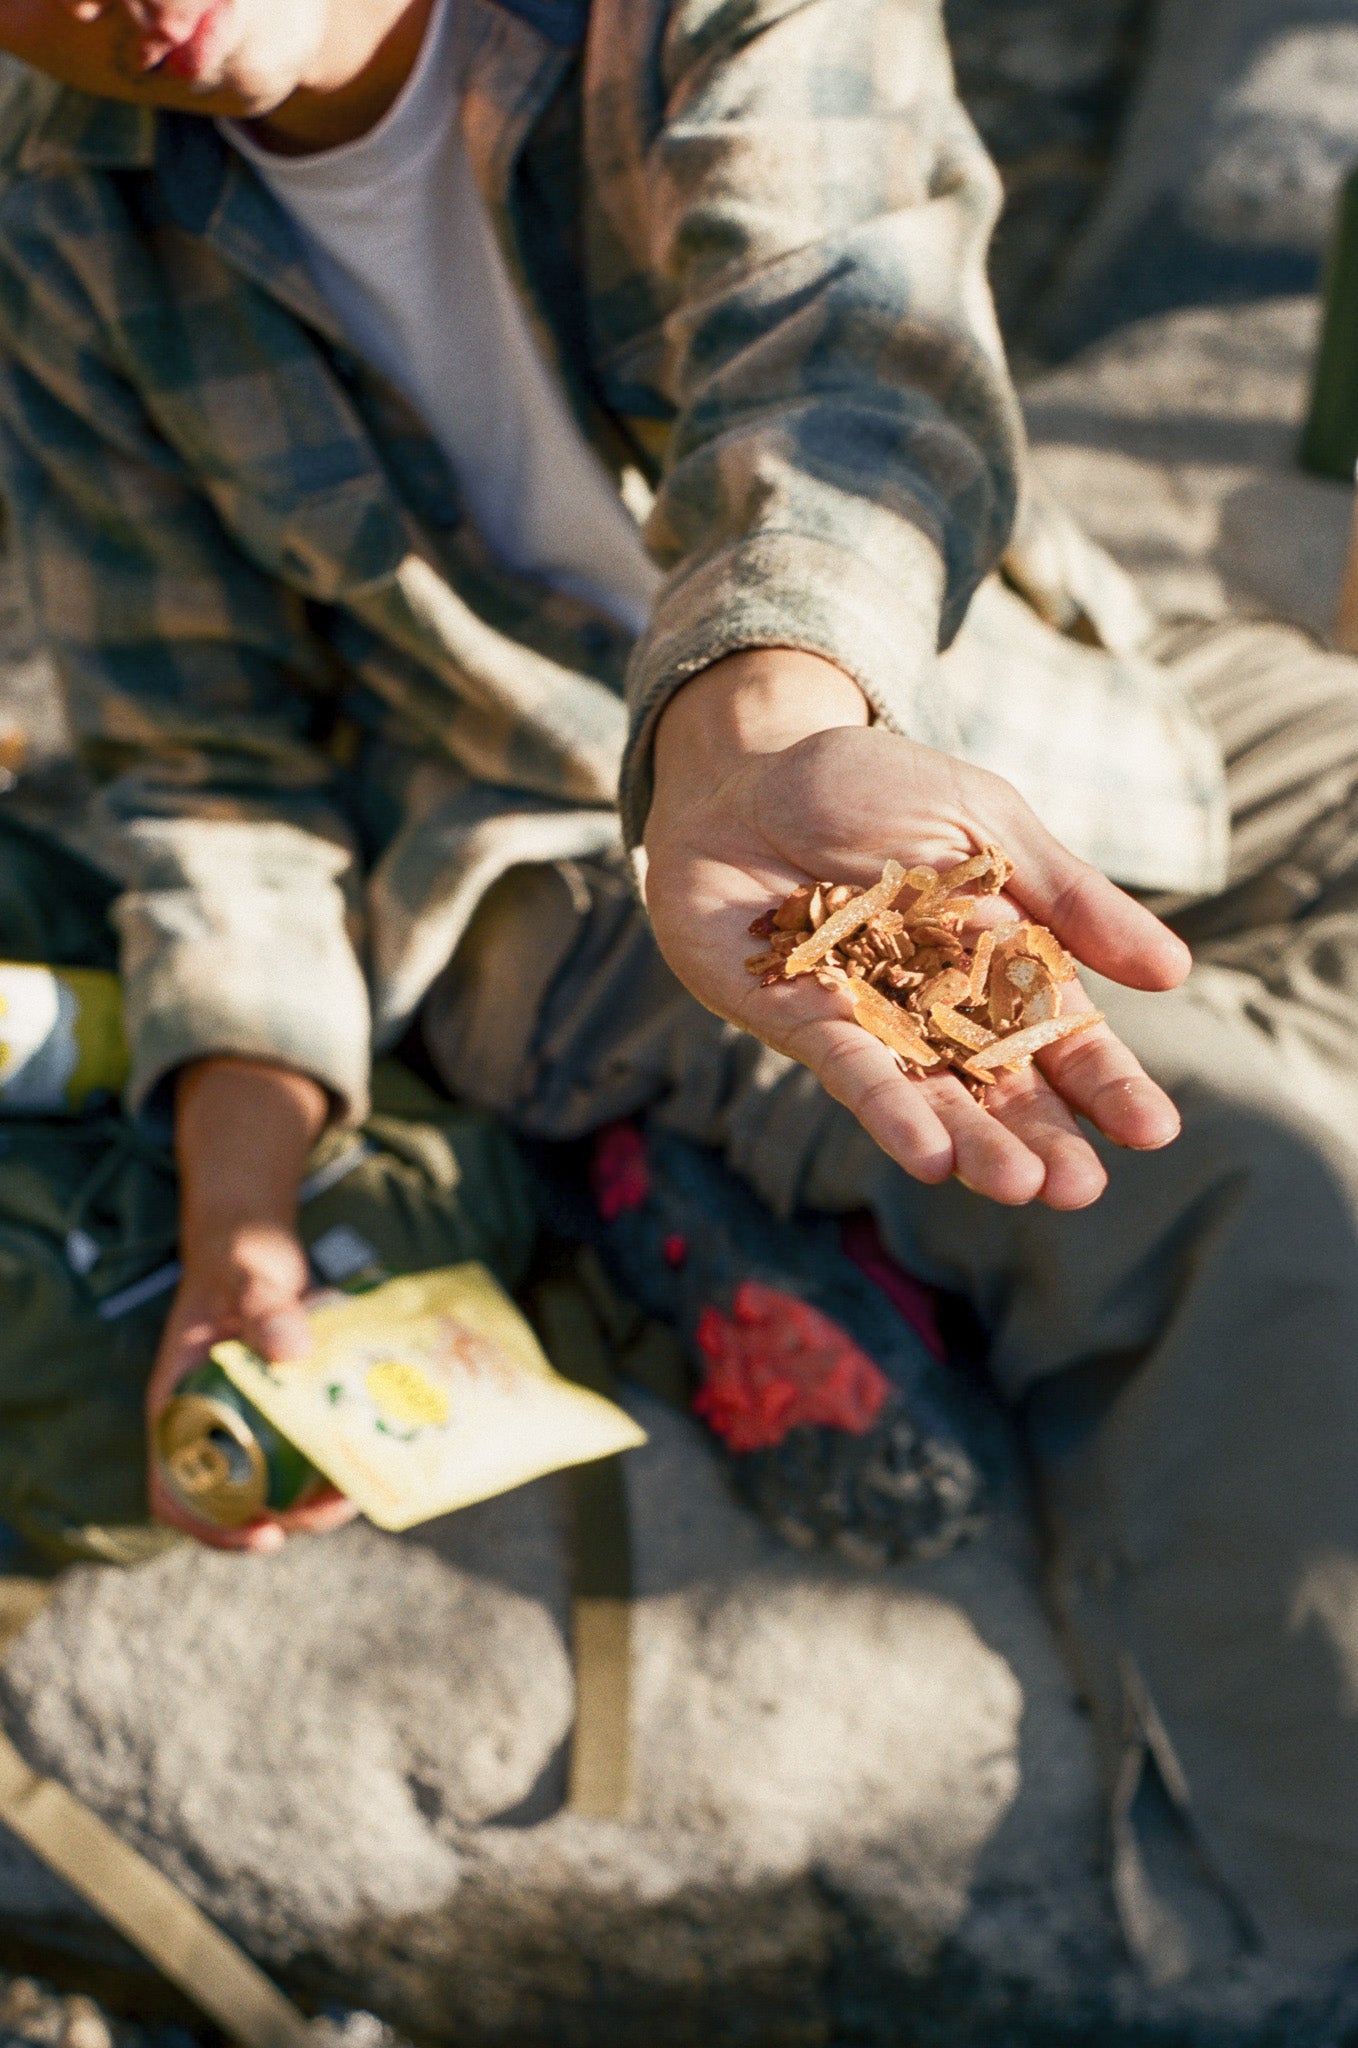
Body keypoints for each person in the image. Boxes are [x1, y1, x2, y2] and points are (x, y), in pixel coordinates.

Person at [0, 0, 1356, 1977]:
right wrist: (242, 1227)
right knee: (1237, 1187)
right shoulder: (63, 212)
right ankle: (1313, 1900)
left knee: (1235, 1018)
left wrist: (752, 729)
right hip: (554, 872)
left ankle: (776, 1217)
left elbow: (854, 366)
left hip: (956, 704)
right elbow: (206, 769)